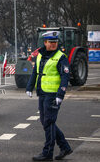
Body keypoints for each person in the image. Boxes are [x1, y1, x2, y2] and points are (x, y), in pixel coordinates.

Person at [26, 31, 73, 161]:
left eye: (55, 42)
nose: (53, 44)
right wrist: (29, 87)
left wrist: (60, 94)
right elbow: (35, 72)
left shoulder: (61, 57)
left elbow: (65, 76)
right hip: (42, 92)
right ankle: (65, 147)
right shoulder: (40, 55)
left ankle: (48, 153)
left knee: (49, 122)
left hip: (53, 94)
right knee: (45, 121)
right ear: (45, 42)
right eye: (50, 42)